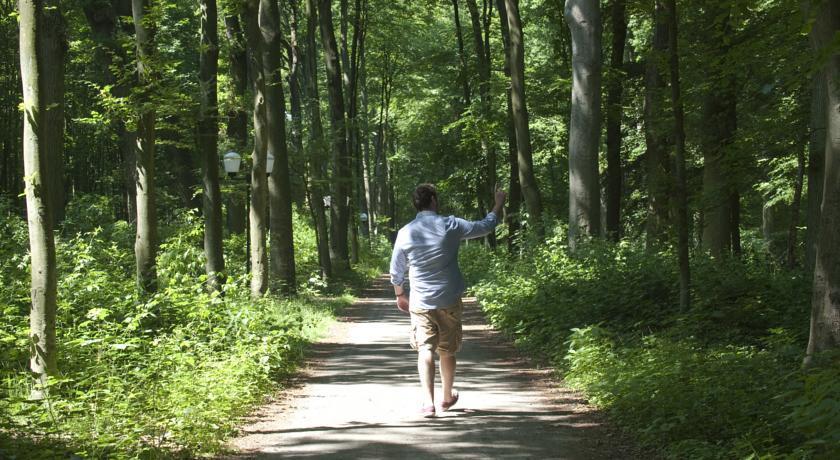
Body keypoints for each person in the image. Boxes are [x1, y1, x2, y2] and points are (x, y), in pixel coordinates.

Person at [389, 184, 506, 417]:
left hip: (421, 300)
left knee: (425, 349)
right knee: (447, 351)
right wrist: (498, 203)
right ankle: (446, 397)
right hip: (449, 298)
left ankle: (428, 403)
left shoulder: (405, 232)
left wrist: (400, 294)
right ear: (433, 200)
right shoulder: (451, 224)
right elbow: (486, 226)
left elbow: (396, 269)